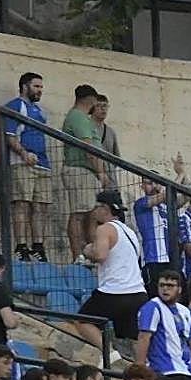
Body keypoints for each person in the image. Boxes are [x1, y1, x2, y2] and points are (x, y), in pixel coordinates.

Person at [77, 191, 149, 361]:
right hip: (138, 293)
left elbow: (100, 255)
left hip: (115, 291)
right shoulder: (130, 232)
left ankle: (109, 353)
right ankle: (141, 366)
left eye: (97, 207)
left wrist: (87, 250)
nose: (94, 211)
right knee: (131, 336)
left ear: (105, 208)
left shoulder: (105, 229)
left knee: (83, 321)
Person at [5, 72, 51, 262]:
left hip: (43, 163)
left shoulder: (40, 111)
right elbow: (10, 135)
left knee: (41, 206)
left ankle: (38, 246)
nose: (40, 90)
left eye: (41, 87)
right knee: (22, 203)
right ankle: (21, 246)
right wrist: (24, 153)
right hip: (22, 162)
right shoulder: (16, 105)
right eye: (36, 86)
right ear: (25, 86)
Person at [62, 84, 107, 262]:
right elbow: (88, 147)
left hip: (88, 172)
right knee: (79, 214)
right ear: (91, 100)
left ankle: (89, 254)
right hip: (80, 170)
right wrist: (101, 172)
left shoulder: (82, 118)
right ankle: (78, 256)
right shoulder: (78, 117)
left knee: (90, 215)